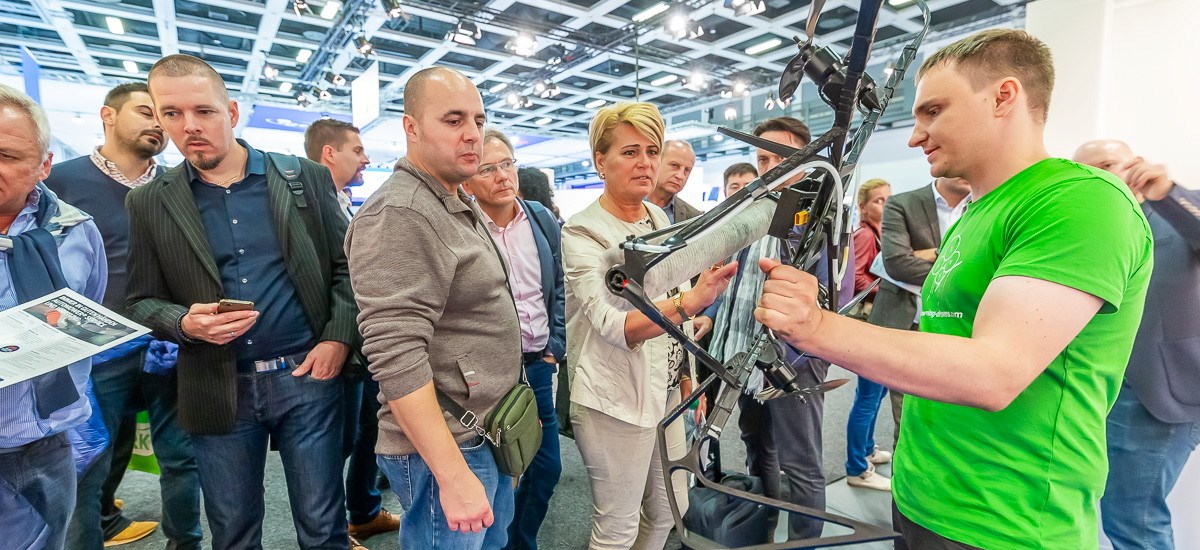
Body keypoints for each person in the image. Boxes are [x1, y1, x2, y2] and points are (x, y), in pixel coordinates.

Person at [753, 29, 1152, 549]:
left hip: (1003, 522)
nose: (916, 136)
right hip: (923, 496)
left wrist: (817, 327)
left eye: (933, 112)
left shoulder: (1079, 201)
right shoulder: (978, 210)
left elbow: (993, 372)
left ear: (1003, 96)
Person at [126, 54, 360, 549]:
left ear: (231, 112)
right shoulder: (150, 200)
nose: (189, 126)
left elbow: (348, 269)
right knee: (232, 532)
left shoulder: (302, 178)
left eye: (203, 111)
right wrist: (183, 321)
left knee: (323, 527)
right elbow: (140, 301)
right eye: (171, 114)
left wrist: (338, 339)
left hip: (307, 377)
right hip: (215, 383)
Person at [345, 66, 520, 550]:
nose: (473, 135)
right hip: (447, 446)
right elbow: (395, 353)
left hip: (482, 433)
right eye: (453, 120)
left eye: (479, 121)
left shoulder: (450, 199)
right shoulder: (401, 212)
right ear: (411, 127)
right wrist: (453, 473)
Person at [563, 101, 735, 549]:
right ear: (600, 160)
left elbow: (673, 317)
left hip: (664, 390)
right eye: (630, 152)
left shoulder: (660, 220)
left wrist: (686, 378)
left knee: (669, 511)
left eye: (652, 151)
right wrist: (691, 300)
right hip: (612, 399)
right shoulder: (583, 232)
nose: (645, 163)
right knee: (617, 526)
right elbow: (616, 325)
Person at [47, 82, 202, 549]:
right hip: (93, 351)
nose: (158, 122)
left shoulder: (179, 185)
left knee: (181, 459)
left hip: (168, 344)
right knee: (89, 464)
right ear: (107, 115)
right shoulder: (62, 181)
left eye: (163, 114)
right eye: (145, 111)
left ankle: (186, 543)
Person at [707, 116, 853, 541]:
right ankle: (764, 527)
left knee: (801, 463)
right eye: (760, 157)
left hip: (793, 361)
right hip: (743, 354)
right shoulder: (752, 212)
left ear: (805, 158)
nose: (765, 166)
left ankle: (804, 541)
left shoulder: (824, 213)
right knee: (758, 449)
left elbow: (832, 292)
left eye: (775, 157)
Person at [1073, 139, 1199, 550]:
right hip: (1092, 390)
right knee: (1109, 510)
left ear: (1138, 165)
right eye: (1087, 171)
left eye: (1109, 163)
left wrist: (1168, 194)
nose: (1101, 176)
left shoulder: (1179, 209)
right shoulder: (1087, 228)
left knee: (1135, 520)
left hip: (1156, 394)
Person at [0, 83, 107, 550]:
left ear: (44, 165)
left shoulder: (75, 230)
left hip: (45, 442)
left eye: (6, 155)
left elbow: (90, 307)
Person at [462, 128, 566, 550]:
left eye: (508, 164)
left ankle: (520, 542)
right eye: (488, 168)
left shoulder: (540, 217)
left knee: (546, 466)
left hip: (537, 365)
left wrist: (555, 345)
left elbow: (558, 285)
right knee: (492, 473)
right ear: (468, 180)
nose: (503, 176)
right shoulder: (464, 226)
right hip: (486, 372)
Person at [303, 118, 396, 548]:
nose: (366, 159)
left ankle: (364, 512)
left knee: (365, 433)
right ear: (329, 154)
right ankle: (334, 530)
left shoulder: (342, 202)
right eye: (357, 150)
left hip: (363, 348)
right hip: (331, 346)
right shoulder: (305, 207)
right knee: (331, 444)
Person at [867, 176, 970, 442]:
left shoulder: (984, 206)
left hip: (959, 327)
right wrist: (959, 269)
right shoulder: (903, 203)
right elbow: (898, 264)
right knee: (907, 420)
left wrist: (927, 254)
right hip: (906, 323)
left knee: (955, 419)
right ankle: (902, 481)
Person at [842, 177, 892, 492]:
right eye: (879, 201)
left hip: (882, 324)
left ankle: (868, 449)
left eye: (889, 199)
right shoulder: (864, 235)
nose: (885, 205)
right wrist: (890, 291)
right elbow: (857, 280)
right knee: (868, 397)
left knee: (878, 394)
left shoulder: (881, 234)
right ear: (864, 207)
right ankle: (856, 467)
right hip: (870, 323)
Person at [646, 140, 702, 224]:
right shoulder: (624, 202)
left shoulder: (694, 218)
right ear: (656, 162)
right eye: (674, 165)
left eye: (687, 170)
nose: (680, 176)